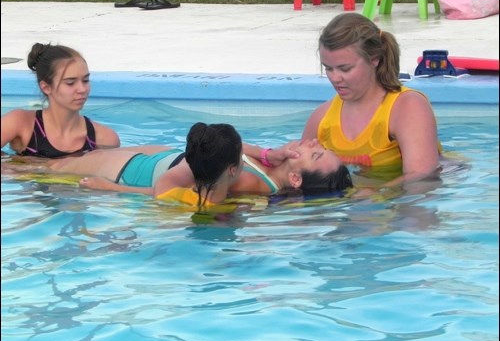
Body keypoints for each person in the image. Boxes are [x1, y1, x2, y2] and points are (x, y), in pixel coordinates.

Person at [264, 13, 442, 189]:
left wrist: (374, 195)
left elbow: (421, 177)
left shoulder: (407, 107)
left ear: (374, 60)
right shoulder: (321, 118)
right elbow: (296, 177)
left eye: (345, 68)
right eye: (328, 68)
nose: (335, 78)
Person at [4, 134, 353, 205]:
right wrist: (268, 151)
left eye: (316, 155)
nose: (312, 145)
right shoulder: (270, 166)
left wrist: (113, 190)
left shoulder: (252, 184)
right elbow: (226, 140)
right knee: (45, 164)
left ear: (296, 178)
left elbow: (177, 194)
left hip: (137, 172)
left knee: (51, 167)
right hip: (167, 155)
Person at [1, 43, 120, 158]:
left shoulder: (105, 139)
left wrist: (30, 166)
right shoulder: (21, 124)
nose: (82, 89)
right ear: (46, 87)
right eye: (70, 83)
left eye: (85, 80)